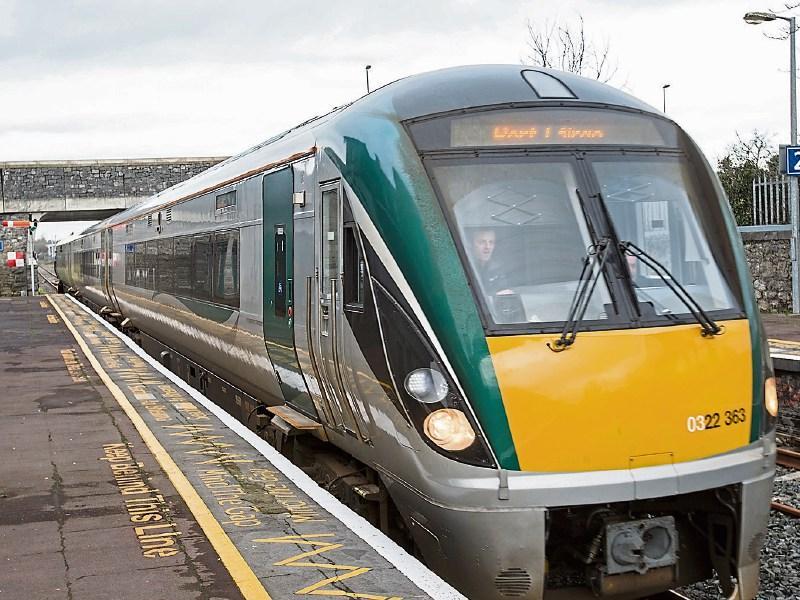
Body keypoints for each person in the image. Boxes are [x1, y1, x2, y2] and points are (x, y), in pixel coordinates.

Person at [469, 228, 512, 296]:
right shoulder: (464, 266)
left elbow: (504, 289)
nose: (487, 247)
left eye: (491, 242)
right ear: (471, 244)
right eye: (482, 242)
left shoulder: (497, 269)